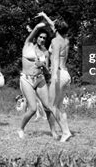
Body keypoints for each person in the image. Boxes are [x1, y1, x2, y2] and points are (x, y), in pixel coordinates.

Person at [17, 21, 60, 139]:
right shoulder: (28, 45)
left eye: (44, 38)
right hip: (27, 79)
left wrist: (43, 65)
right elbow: (34, 31)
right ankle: (21, 128)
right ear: (36, 38)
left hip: (40, 79)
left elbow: (47, 71)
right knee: (33, 108)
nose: (42, 39)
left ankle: (53, 131)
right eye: (40, 37)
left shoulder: (45, 52)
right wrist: (39, 25)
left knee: (47, 107)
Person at [37, 12, 72, 142]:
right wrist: (45, 15)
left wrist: (54, 77)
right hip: (66, 74)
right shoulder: (65, 40)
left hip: (58, 74)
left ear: (56, 29)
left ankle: (66, 131)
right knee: (59, 106)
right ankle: (66, 132)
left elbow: (55, 59)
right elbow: (54, 26)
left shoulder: (55, 41)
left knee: (51, 106)